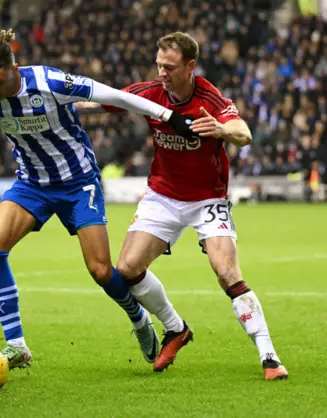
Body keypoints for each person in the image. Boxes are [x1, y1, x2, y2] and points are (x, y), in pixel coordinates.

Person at [0, 29, 193, 370]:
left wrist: (168, 116)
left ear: (15, 69)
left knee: (101, 270)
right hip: (32, 184)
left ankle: (137, 317)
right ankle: (16, 345)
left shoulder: (51, 83)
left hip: (78, 183)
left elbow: (116, 96)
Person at [74, 31, 288, 380]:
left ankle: (269, 357)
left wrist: (220, 129)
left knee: (226, 271)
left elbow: (243, 132)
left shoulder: (208, 97)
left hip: (208, 199)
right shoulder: (150, 93)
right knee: (126, 269)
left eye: (169, 67)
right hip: (163, 196)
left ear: (190, 66)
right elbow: (101, 99)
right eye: (159, 65)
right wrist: (67, 98)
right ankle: (176, 328)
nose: (162, 73)